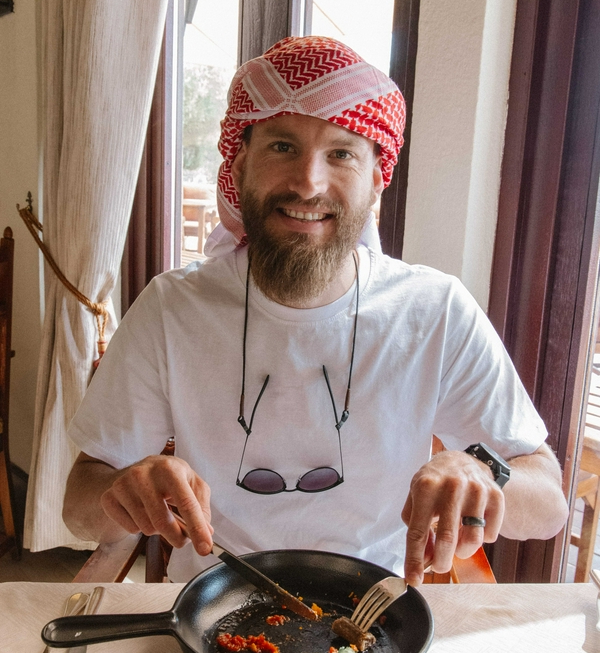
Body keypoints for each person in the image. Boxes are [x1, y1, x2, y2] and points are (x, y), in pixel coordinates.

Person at [63, 36, 567, 586]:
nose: (308, 182)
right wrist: (126, 488)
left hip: (380, 612)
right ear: (240, 166)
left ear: (377, 180)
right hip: (213, 605)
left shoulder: (434, 310)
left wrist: (480, 474)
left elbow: (547, 506)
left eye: (341, 153)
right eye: (282, 147)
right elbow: (78, 504)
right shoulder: (172, 307)